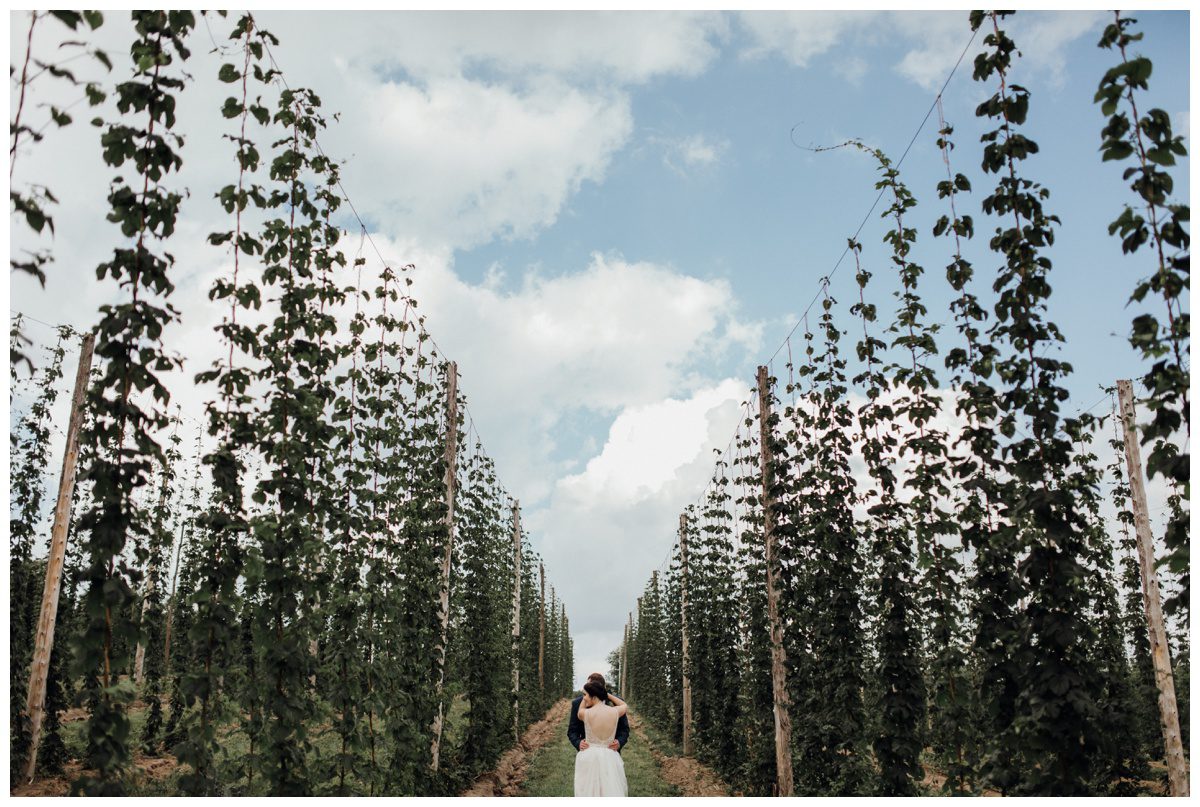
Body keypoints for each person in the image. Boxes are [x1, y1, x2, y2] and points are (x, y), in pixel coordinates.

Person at [572, 678, 629, 796]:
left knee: (588, 792)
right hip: (610, 756)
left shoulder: (585, 713)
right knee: (609, 791)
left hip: (589, 755)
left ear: (593, 696)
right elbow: (624, 705)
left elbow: (580, 710)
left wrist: (592, 693)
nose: (584, 698)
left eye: (585, 694)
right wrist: (605, 694)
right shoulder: (615, 712)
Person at [567, 672, 629, 754]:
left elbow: (624, 729)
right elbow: (572, 731)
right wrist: (578, 743)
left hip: (611, 754)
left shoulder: (616, 702)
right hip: (587, 753)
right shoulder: (577, 703)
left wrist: (619, 742)